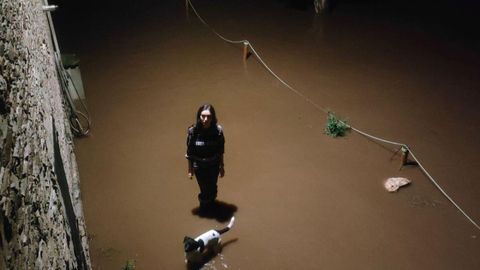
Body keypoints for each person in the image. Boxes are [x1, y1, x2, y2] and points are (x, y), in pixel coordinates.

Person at [186, 104, 225, 210]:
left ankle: (212, 202)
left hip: (214, 165)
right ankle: (204, 208)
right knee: (204, 190)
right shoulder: (193, 131)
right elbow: (189, 152)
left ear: (213, 118)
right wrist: (190, 170)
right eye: (203, 116)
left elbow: (221, 150)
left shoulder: (218, 131)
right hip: (199, 166)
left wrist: (222, 167)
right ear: (199, 116)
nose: (205, 119)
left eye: (209, 116)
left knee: (213, 187)